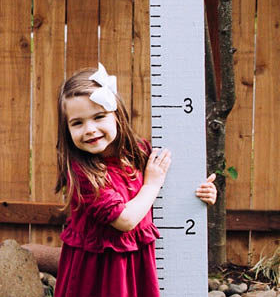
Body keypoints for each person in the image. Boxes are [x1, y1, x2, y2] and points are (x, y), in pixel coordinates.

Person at [53, 62, 217, 297]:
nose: (89, 129)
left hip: (134, 266)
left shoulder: (139, 153)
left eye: (99, 117)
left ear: (117, 116)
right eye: (77, 123)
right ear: (66, 129)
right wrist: (151, 184)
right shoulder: (82, 174)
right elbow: (126, 220)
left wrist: (205, 192)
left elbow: (174, 181)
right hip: (94, 276)